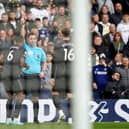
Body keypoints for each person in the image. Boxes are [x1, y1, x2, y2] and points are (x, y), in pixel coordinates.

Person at [22, 32, 46, 123]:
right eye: (30, 38)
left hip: (36, 76)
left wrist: (42, 71)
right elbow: (22, 35)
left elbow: (44, 62)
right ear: (28, 40)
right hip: (25, 76)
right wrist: (24, 23)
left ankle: (36, 118)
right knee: (22, 96)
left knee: (35, 98)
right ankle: (20, 117)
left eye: (34, 38)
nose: (32, 40)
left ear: (36, 40)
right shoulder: (25, 47)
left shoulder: (40, 50)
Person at [52, 28, 74, 122]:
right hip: (71, 72)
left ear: (62, 34)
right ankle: (71, 118)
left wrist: (52, 76)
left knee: (55, 93)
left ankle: (61, 113)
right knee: (71, 95)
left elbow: (54, 62)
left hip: (61, 72)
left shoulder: (58, 45)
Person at [5, 36, 26, 125]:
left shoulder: (8, 49)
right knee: (20, 95)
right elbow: (21, 62)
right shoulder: (21, 49)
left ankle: (8, 119)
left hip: (6, 75)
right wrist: (26, 65)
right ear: (21, 42)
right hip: (15, 75)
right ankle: (16, 119)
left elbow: (1, 59)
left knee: (10, 96)